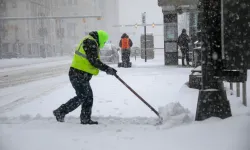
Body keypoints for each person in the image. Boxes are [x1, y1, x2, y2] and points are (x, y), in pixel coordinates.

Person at [53, 30, 117, 125]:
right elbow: (94, 60)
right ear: (101, 39)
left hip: (79, 74)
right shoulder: (90, 42)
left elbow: (92, 60)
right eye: (103, 42)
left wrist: (107, 69)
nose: (103, 45)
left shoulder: (89, 40)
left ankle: (85, 119)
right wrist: (107, 69)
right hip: (78, 74)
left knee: (88, 97)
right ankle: (60, 111)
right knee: (82, 96)